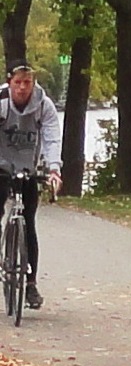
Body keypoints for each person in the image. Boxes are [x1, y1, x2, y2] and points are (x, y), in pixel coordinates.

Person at [0, 59, 63, 309]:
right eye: (18, 82)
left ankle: (31, 284)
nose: (23, 88)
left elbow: (52, 138)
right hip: (1, 166)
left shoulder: (43, 105)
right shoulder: (2, 101)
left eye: (27, 82)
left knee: (28, 223)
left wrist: (54, 169)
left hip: (28, 168)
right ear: (9, 83)